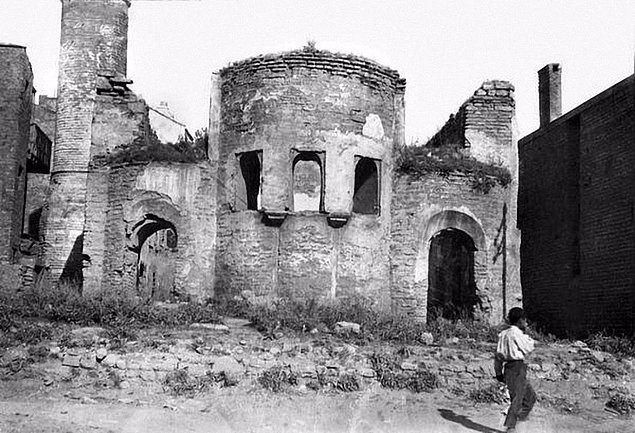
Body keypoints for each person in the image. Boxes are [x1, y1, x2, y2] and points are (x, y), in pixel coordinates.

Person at [494, 307, 537, 432]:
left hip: (508, 368)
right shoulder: (516, 333)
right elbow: (528, 347)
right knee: (518, 397)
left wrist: (498, 373)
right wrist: (527, 335)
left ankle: (518, 419)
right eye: (524, 320)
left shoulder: (503, 334)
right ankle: (511, 427)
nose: (526, 323)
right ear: (520, 320)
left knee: (530, 396)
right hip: (517, 367)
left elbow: (498, 357)